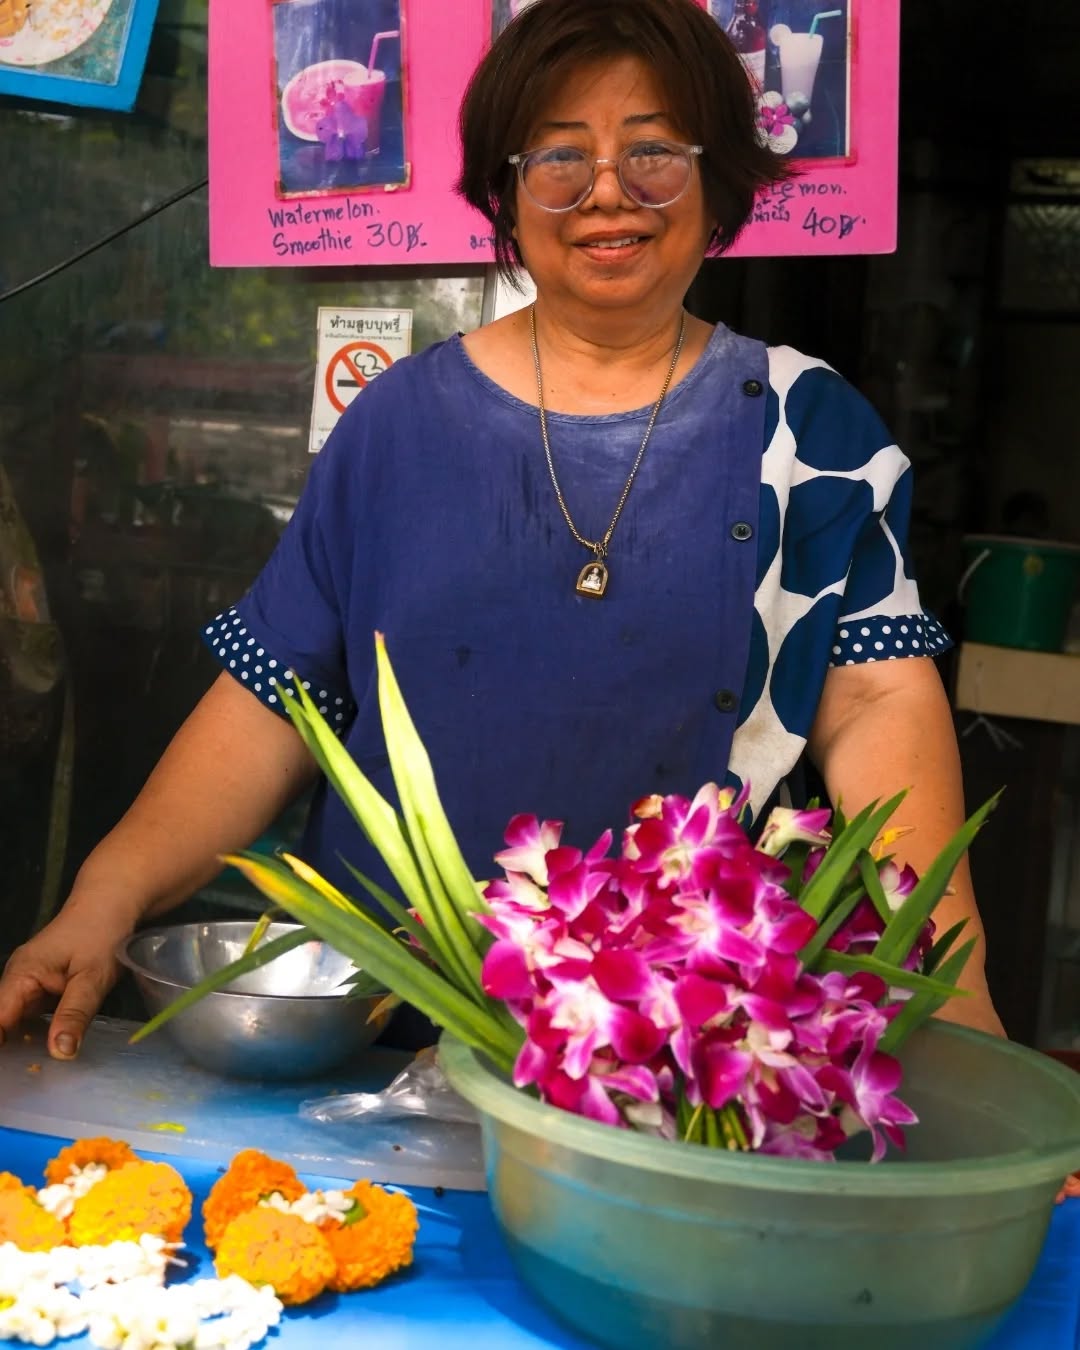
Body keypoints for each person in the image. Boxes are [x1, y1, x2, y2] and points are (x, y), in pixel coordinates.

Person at [0, 0, 1005, 1066]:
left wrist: (957, 992)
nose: (608, 192)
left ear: (719, 185)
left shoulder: (813, 431)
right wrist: (102, 897)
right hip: (376, 1034)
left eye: (655, 151)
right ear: (505, 193)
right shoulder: (397, 425)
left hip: (669, 1055)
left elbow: (878, 706)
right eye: (560, 158)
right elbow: (270, 701)